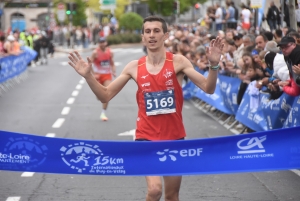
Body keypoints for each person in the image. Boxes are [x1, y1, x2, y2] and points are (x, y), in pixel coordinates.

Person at [68, 16, 223, 201]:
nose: (152, 35)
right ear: (142, 37)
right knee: (155, 190)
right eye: (147, 31)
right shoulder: (134, 67)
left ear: (165, 35)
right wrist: (88, 76)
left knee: (172, 196)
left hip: (174, 138)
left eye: (156, 31)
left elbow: (208, 88)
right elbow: (105, 95)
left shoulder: (178, 62)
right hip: (145, 138)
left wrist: (214, 65)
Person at [90, 37, 116, 121]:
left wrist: (114, 71)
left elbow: (112, 63)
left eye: (104, 42)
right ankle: (98, 96)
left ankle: (103, 113)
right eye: (101, 42)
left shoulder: (110, 52)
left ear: (106, 43)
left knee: (106, 94)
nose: (102, 44)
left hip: (107, 75)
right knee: (99, 97)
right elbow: (89, 64)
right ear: (99, 44)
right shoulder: (95, 53)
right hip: (98, 76)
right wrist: (94, 74)